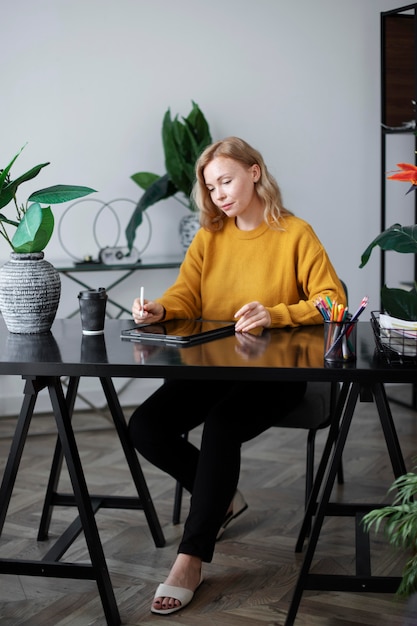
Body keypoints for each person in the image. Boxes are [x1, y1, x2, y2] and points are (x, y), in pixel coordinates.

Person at [128, 136, 346, 615]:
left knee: (223, 426)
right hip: (213, 369)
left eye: (226, 180)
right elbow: (187, 296)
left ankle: (191, 557)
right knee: (144, 426)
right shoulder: (210, 236)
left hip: (276, 374)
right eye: (210, 186)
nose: (218, 193)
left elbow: (333, 301)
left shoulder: (296, 233)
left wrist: (275, 314)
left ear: (253, 172)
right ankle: (222, 499)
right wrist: (159, 309)